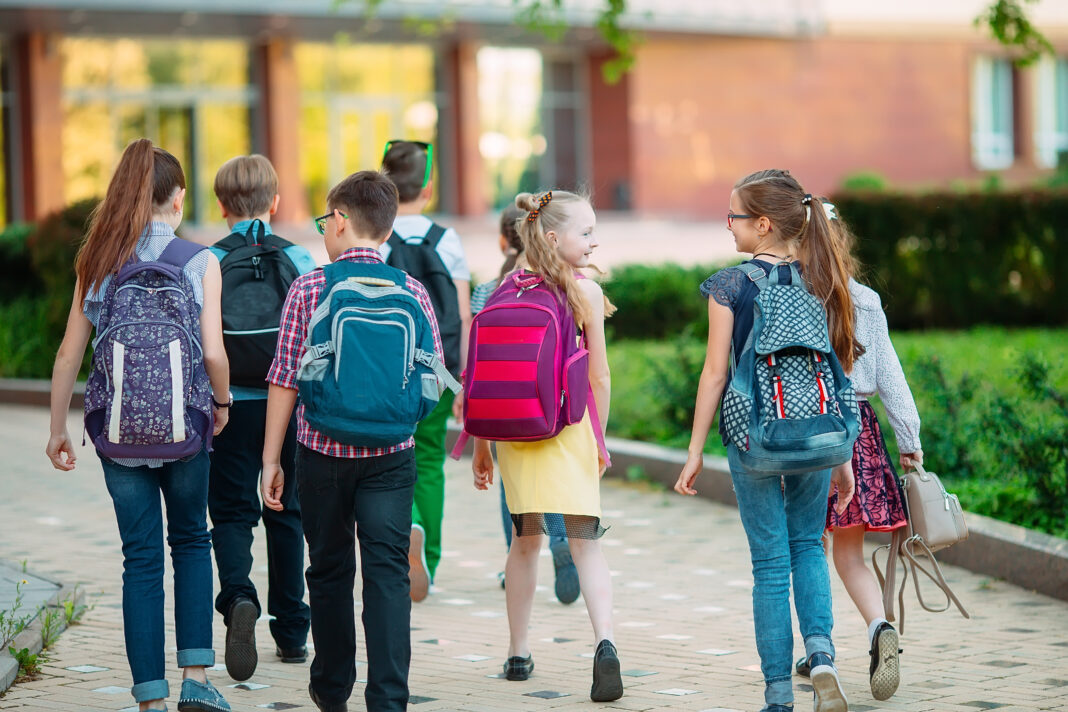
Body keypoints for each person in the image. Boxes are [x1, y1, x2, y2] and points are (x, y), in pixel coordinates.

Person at [46, 138, 232, 712]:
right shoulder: (201, 261)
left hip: (118, 434)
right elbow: (214, 354)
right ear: (176, 199)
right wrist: (221, 404)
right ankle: (197, 682)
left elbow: (67, 356)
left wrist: (57, 429)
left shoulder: (96, 263)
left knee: (141, 558)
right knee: (192, 543)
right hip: (186, 429)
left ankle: (149, 697)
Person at [260, 170, 444, 712]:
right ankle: (388, 698)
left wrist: (272, 459)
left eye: (325, 220)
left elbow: (285, 378)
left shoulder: (310, 287)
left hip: (320, 452)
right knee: (387, 575)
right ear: (385, 231)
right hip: (391, 455)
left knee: (329, 568)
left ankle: (332, 688)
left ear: (340, 221)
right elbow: (432, 378)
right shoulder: (412, 291)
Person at [674, 169, 857, 712]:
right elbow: (835, 368)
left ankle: (779, 693)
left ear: (761, 224)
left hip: (753, 436)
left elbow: (713, 374)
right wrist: (842, 454)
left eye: (733, 217)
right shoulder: (821, 278)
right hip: (819, 433)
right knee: (808, 548)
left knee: (770, 564)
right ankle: (821, 656)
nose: (727, 227)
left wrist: (694, 451)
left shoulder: (731, 285)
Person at [470, 190, 623, 703]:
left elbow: (485, 377)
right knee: (586, 542)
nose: (594, 240)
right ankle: (604, 643)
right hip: (569, 429)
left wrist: (482, 447)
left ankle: (517, 652)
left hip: (515, 436)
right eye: (586, 232)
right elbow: (598, 375)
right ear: (554, 236)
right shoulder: (586, 293)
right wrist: (599, 439)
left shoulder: (500, 290)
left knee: (524, 542)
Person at [792, 202, 921, 702]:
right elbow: (891, 377)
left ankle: (816, 650)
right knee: (849, 555)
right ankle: (878, 627)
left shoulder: (792, 298)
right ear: (841, 240)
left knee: (805, 548)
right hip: (858, 431)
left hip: (804, 430)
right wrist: (909, 440)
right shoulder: (864, 299)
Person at [207, 155, 316, 681]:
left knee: (230, 512)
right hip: (287, 404)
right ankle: (293, 631)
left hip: (227, 407)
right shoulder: (298, 256)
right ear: (274, 203)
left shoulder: (206, 261)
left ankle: (238, 597)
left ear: (221, 205)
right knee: (287, 510)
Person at [473, 204, 580, 604]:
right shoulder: (562, 286)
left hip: (502, 407)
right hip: (551, 406)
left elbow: (478, 357)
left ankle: (515, 557)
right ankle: (558, 542)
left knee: (514, 490)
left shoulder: (491, 289)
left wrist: (476, 429)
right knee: (549, 485)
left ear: (505, 240)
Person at [380, 140, 472, 602]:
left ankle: (405, 533)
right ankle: (429, 561)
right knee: (431, 460)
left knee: (391, 458)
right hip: (437, 370)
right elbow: (460, 312)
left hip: (388, 371)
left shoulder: (378, 235)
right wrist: (464, 378)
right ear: (428, 188)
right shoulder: (447, 239)